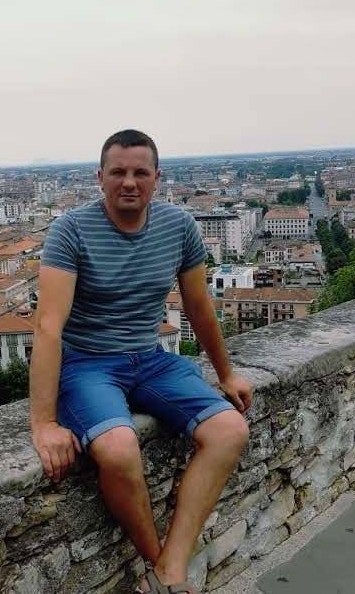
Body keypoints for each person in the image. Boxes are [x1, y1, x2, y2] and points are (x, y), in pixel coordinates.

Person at [30, 129, 252, 594]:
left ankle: (168, 570)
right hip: (87, 363)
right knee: (117, 450)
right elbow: (49, 326)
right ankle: (163, 571)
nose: (129, 182)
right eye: (118, 172)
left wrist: (226, 373)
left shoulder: (179, 226)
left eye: (139, 172)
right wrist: (44, 424)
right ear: (100, 177)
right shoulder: (71, 230)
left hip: (150, 358)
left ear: (157, 177)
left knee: (230, 431)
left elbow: (198, 307)